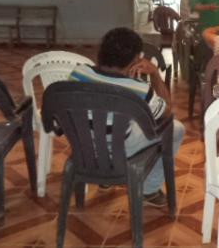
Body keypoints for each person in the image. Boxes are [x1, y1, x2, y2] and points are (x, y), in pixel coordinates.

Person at [69, 27, 184, 207]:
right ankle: (149, 190)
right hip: (120, 152)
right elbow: (167, 111)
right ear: (134, 60)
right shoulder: (137, 89)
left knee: (111, 121)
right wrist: (154, 74)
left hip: (85, 148)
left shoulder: (78, 73)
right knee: (176, 128)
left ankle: (105, 179)